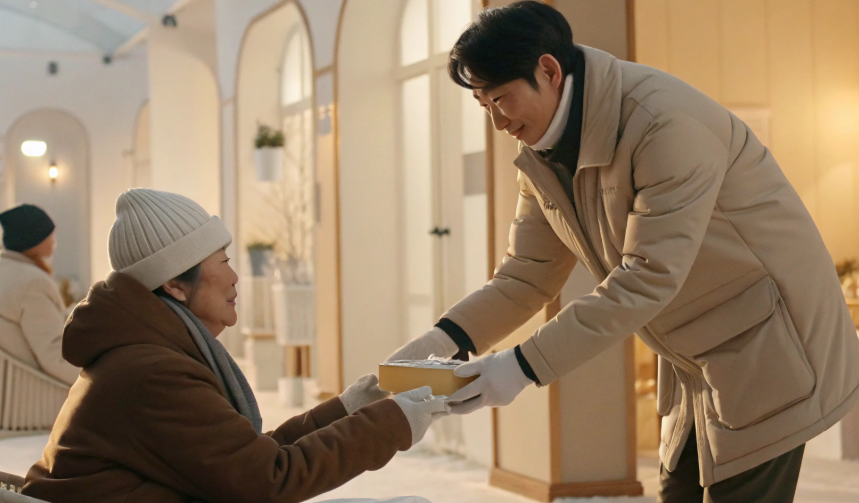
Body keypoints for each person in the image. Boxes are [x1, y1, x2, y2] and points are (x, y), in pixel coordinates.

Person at [387, 2, 859, 502]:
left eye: (501, 99)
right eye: (484, 106)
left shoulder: (665, 123)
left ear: (548, 71)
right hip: (696, 354)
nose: (498, 122)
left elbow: (647, 276)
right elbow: (526, 275)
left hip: (772, 346)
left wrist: (521, 367)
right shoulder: (542, 152)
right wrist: (441, 341)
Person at [23, 188, 448, 503]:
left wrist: (350, 406)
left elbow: (243, 458)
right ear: (174, 284)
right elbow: (269, 480)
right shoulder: (152, 373)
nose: (234, 278)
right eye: (223, 262)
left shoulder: (145, 353)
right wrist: (395, 420)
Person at [0, 203, 79, 385]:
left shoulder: (7, 271)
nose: (54, 242)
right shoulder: (32, 283)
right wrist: (99, 380)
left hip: (9, 387)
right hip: (36, 392)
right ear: (35, 241)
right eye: (50, 236)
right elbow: (54, 355)